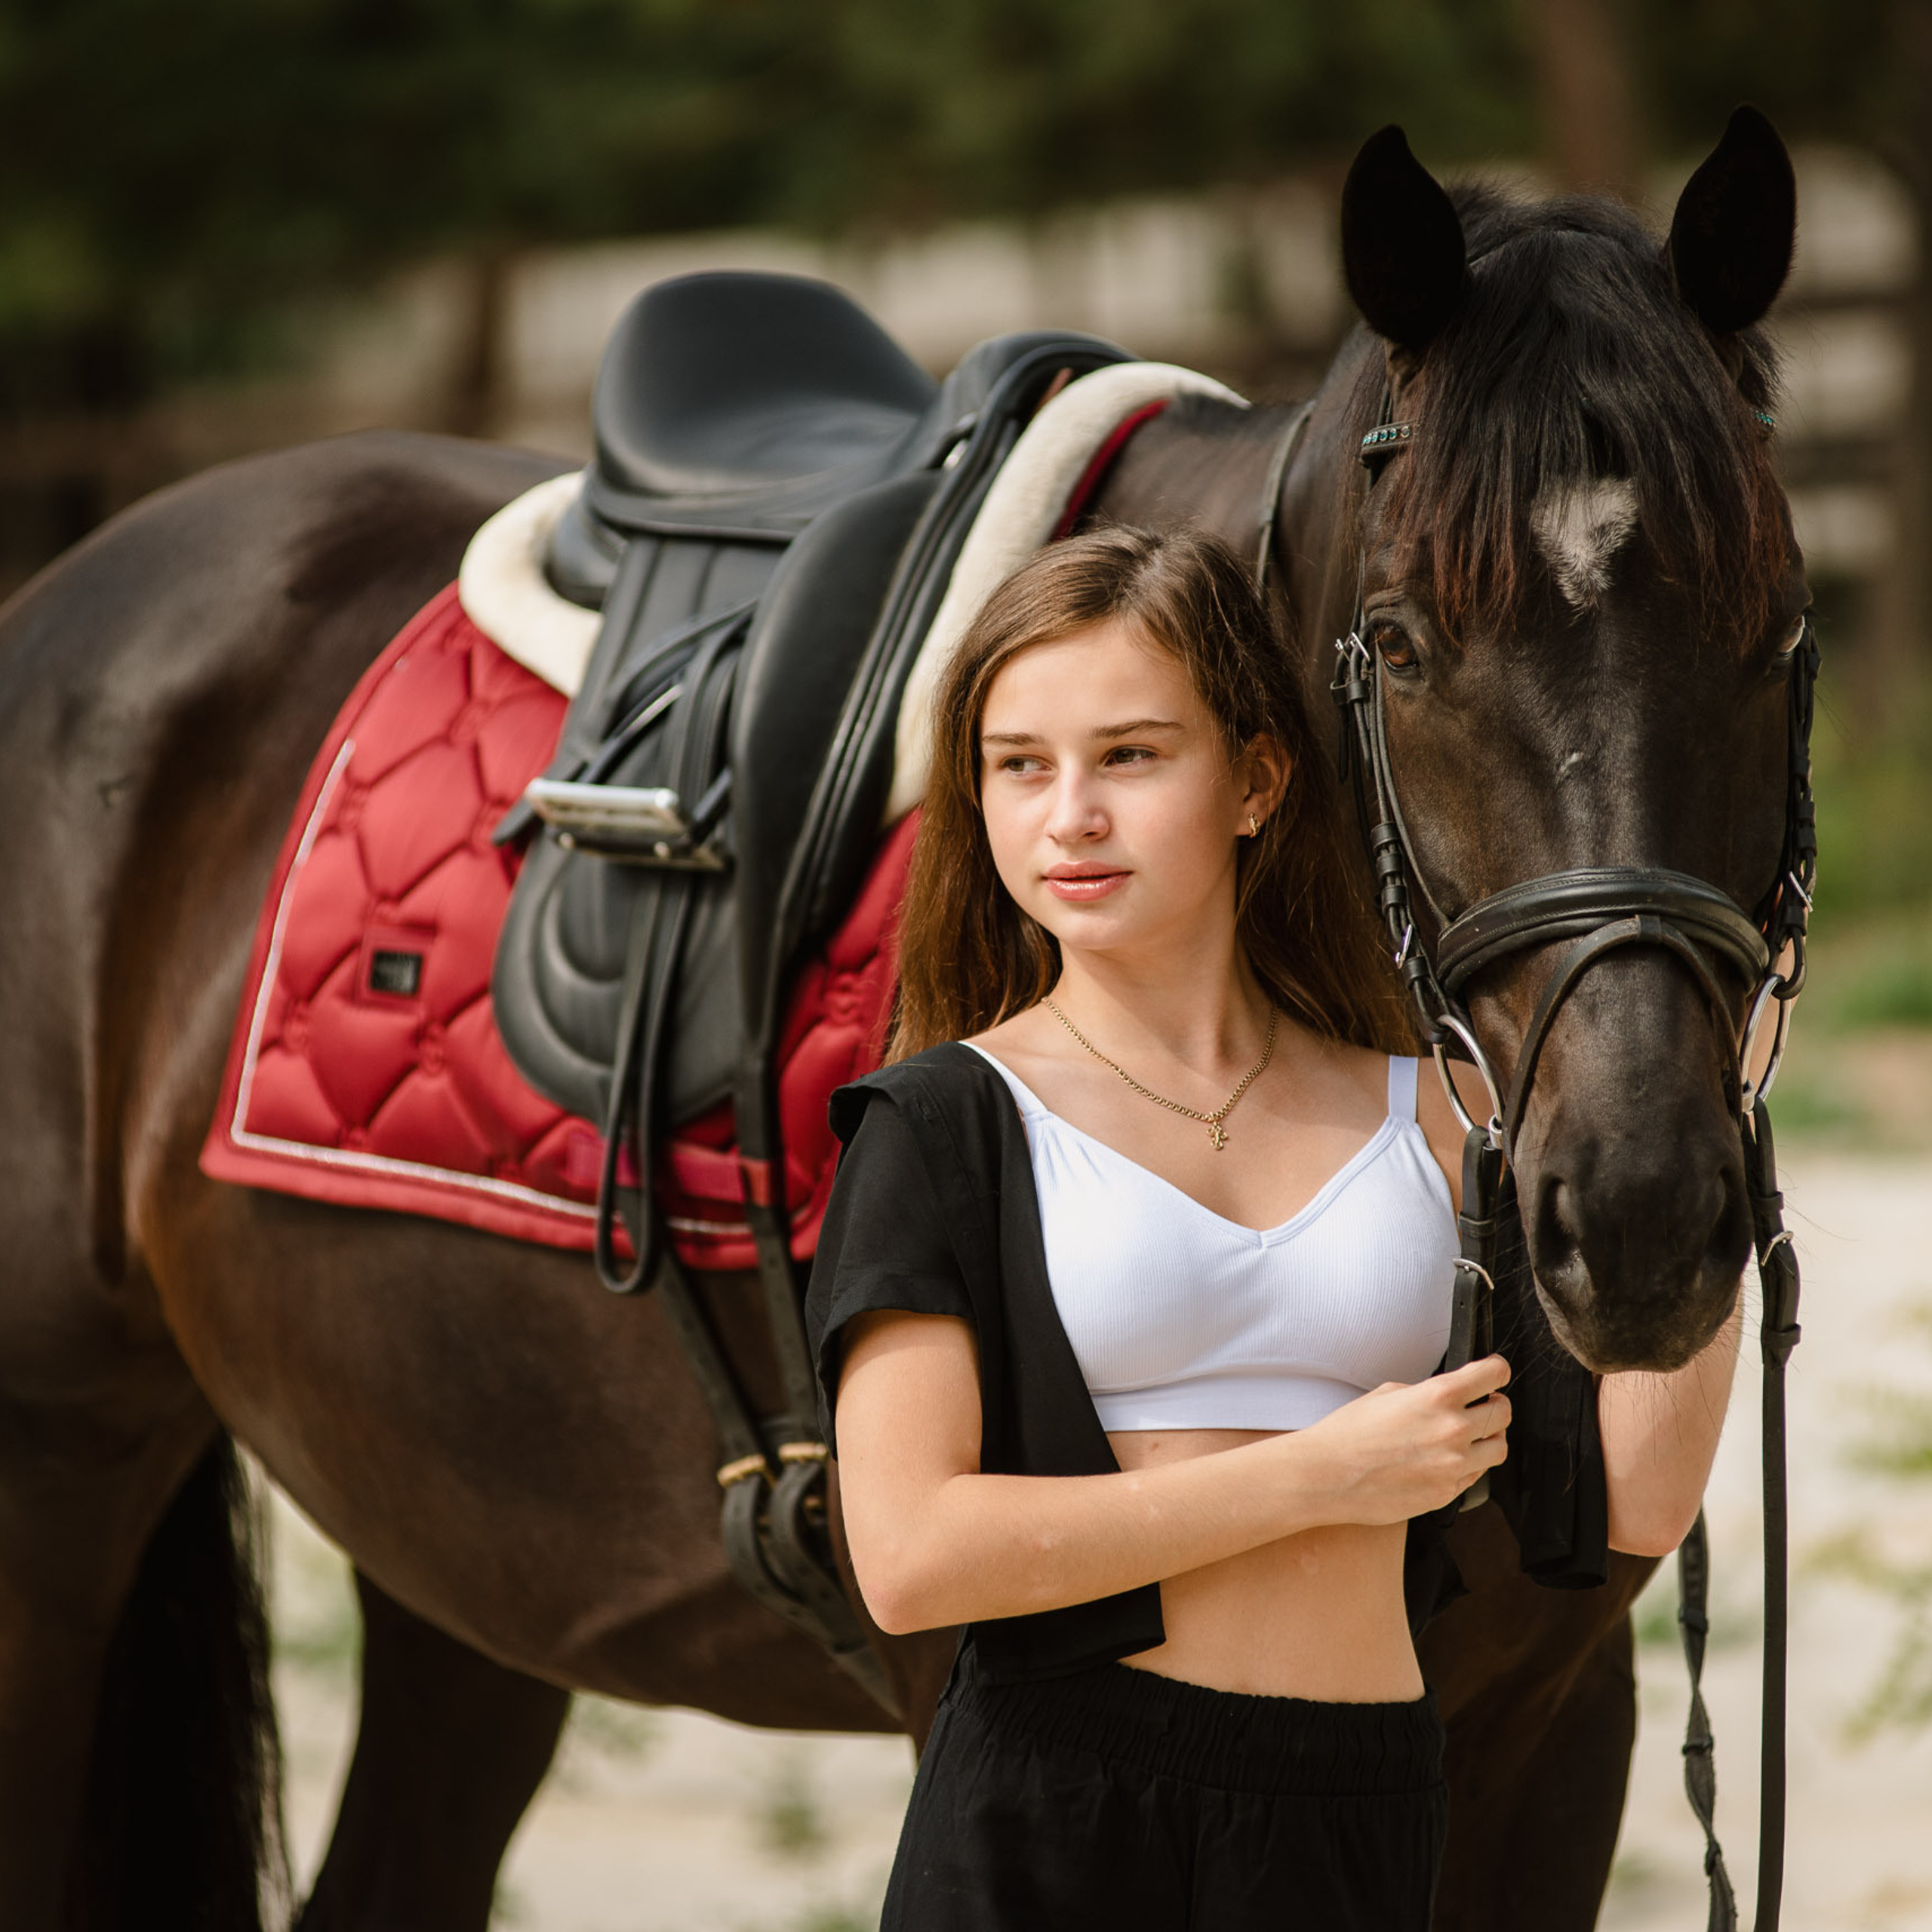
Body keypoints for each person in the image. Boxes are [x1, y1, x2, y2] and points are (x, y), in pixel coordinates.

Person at [804, 525, 1740, 1930]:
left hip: (1352, 1805)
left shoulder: (1440, 1118)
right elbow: (910, 1556)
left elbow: (1638, 1499)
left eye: (1129, 756)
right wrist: (1318, 1477)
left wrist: (1708, 1109)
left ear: (1256, 780)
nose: (1070, 816)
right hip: (1055, 1797)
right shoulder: (944, 1123)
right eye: (1019, 766)